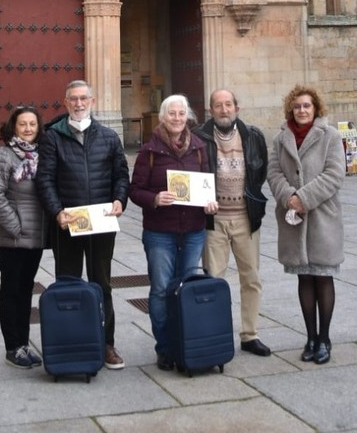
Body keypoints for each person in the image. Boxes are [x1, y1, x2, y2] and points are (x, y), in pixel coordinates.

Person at [36, 79, 130, 370]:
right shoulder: (52, 137)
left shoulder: (109, 137)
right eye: (73, 99)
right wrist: (57, 212)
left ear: (92, 101)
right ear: (65, 103)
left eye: (84, 99)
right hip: (68, 224)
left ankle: (106, 343)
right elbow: (45, 179)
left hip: (101, 224)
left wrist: (119, 200)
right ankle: (70, 342)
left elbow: (121, 175)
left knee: (102, 283)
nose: (78, 104)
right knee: (68, 282)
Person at [129, 95, 218, 370]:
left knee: (186, 288)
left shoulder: (200, 148)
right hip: (160, 232)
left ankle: (185, 342)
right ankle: (165, 347)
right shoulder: (150, 151)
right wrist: (155, 199)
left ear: (187, 117)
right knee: (159, 290)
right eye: (172, 114)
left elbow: (207, 186)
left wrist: (210, 203)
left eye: (181, 114)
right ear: (163, 117)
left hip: (193, 230)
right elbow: (135, 190)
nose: (177, 118)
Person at [267, 85, 345, 364]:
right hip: (293, 219)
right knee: (304, 278)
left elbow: (335, 174)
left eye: (307, 106)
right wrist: (289, 197)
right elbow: (274, 173)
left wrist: (304, 198)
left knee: (323, 276)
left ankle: (325, 339)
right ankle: (310, 337)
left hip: (322, 217)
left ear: (316, 109)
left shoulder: (331, 136)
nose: (302, 110)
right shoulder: (280, 139)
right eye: (297, 106)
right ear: (291, 109)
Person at [194, 89, 270, 356]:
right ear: (210, 109)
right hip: (214, 220)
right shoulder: (199, 137)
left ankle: (250, 335)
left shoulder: (253, 136)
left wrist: (249, 198)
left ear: (237, 108)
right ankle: (218, 334)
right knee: (215, 279)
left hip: (245, 218)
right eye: (218, 105)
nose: (224, 110)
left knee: (252, 279)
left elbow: (260, 172)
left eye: (228, 105)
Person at [0, 106, 46, 369]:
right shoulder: (2, 155)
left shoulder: (41, 155)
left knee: (26, 290)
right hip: (13, 236)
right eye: (23, 124)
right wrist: (17, 227)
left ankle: (24, 342)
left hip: (35, 236)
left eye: (33, 124)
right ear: (13, 127)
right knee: (11, 290)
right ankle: (13, 346)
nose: (29, 129)